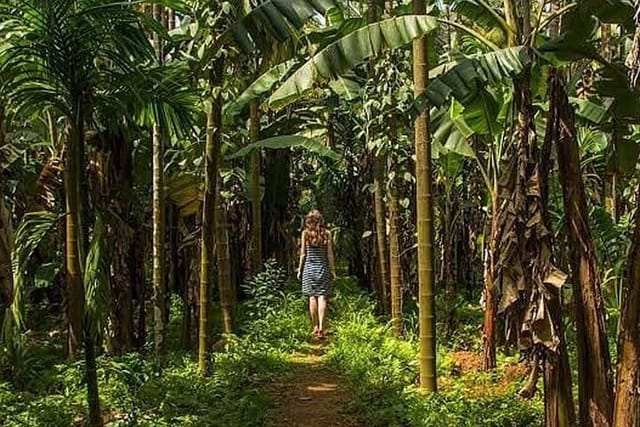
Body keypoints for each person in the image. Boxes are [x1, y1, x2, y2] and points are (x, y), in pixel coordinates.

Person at [297, 209, 336, 339]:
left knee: (312, 297)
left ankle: (314, 327)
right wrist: (332, 270)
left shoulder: (305, 234)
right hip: (323, 268)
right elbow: (330, 254)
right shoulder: (327, 234)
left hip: (309, 269)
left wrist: (300, 269)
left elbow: (303, 254)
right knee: (322, 297)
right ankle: (322, 328)